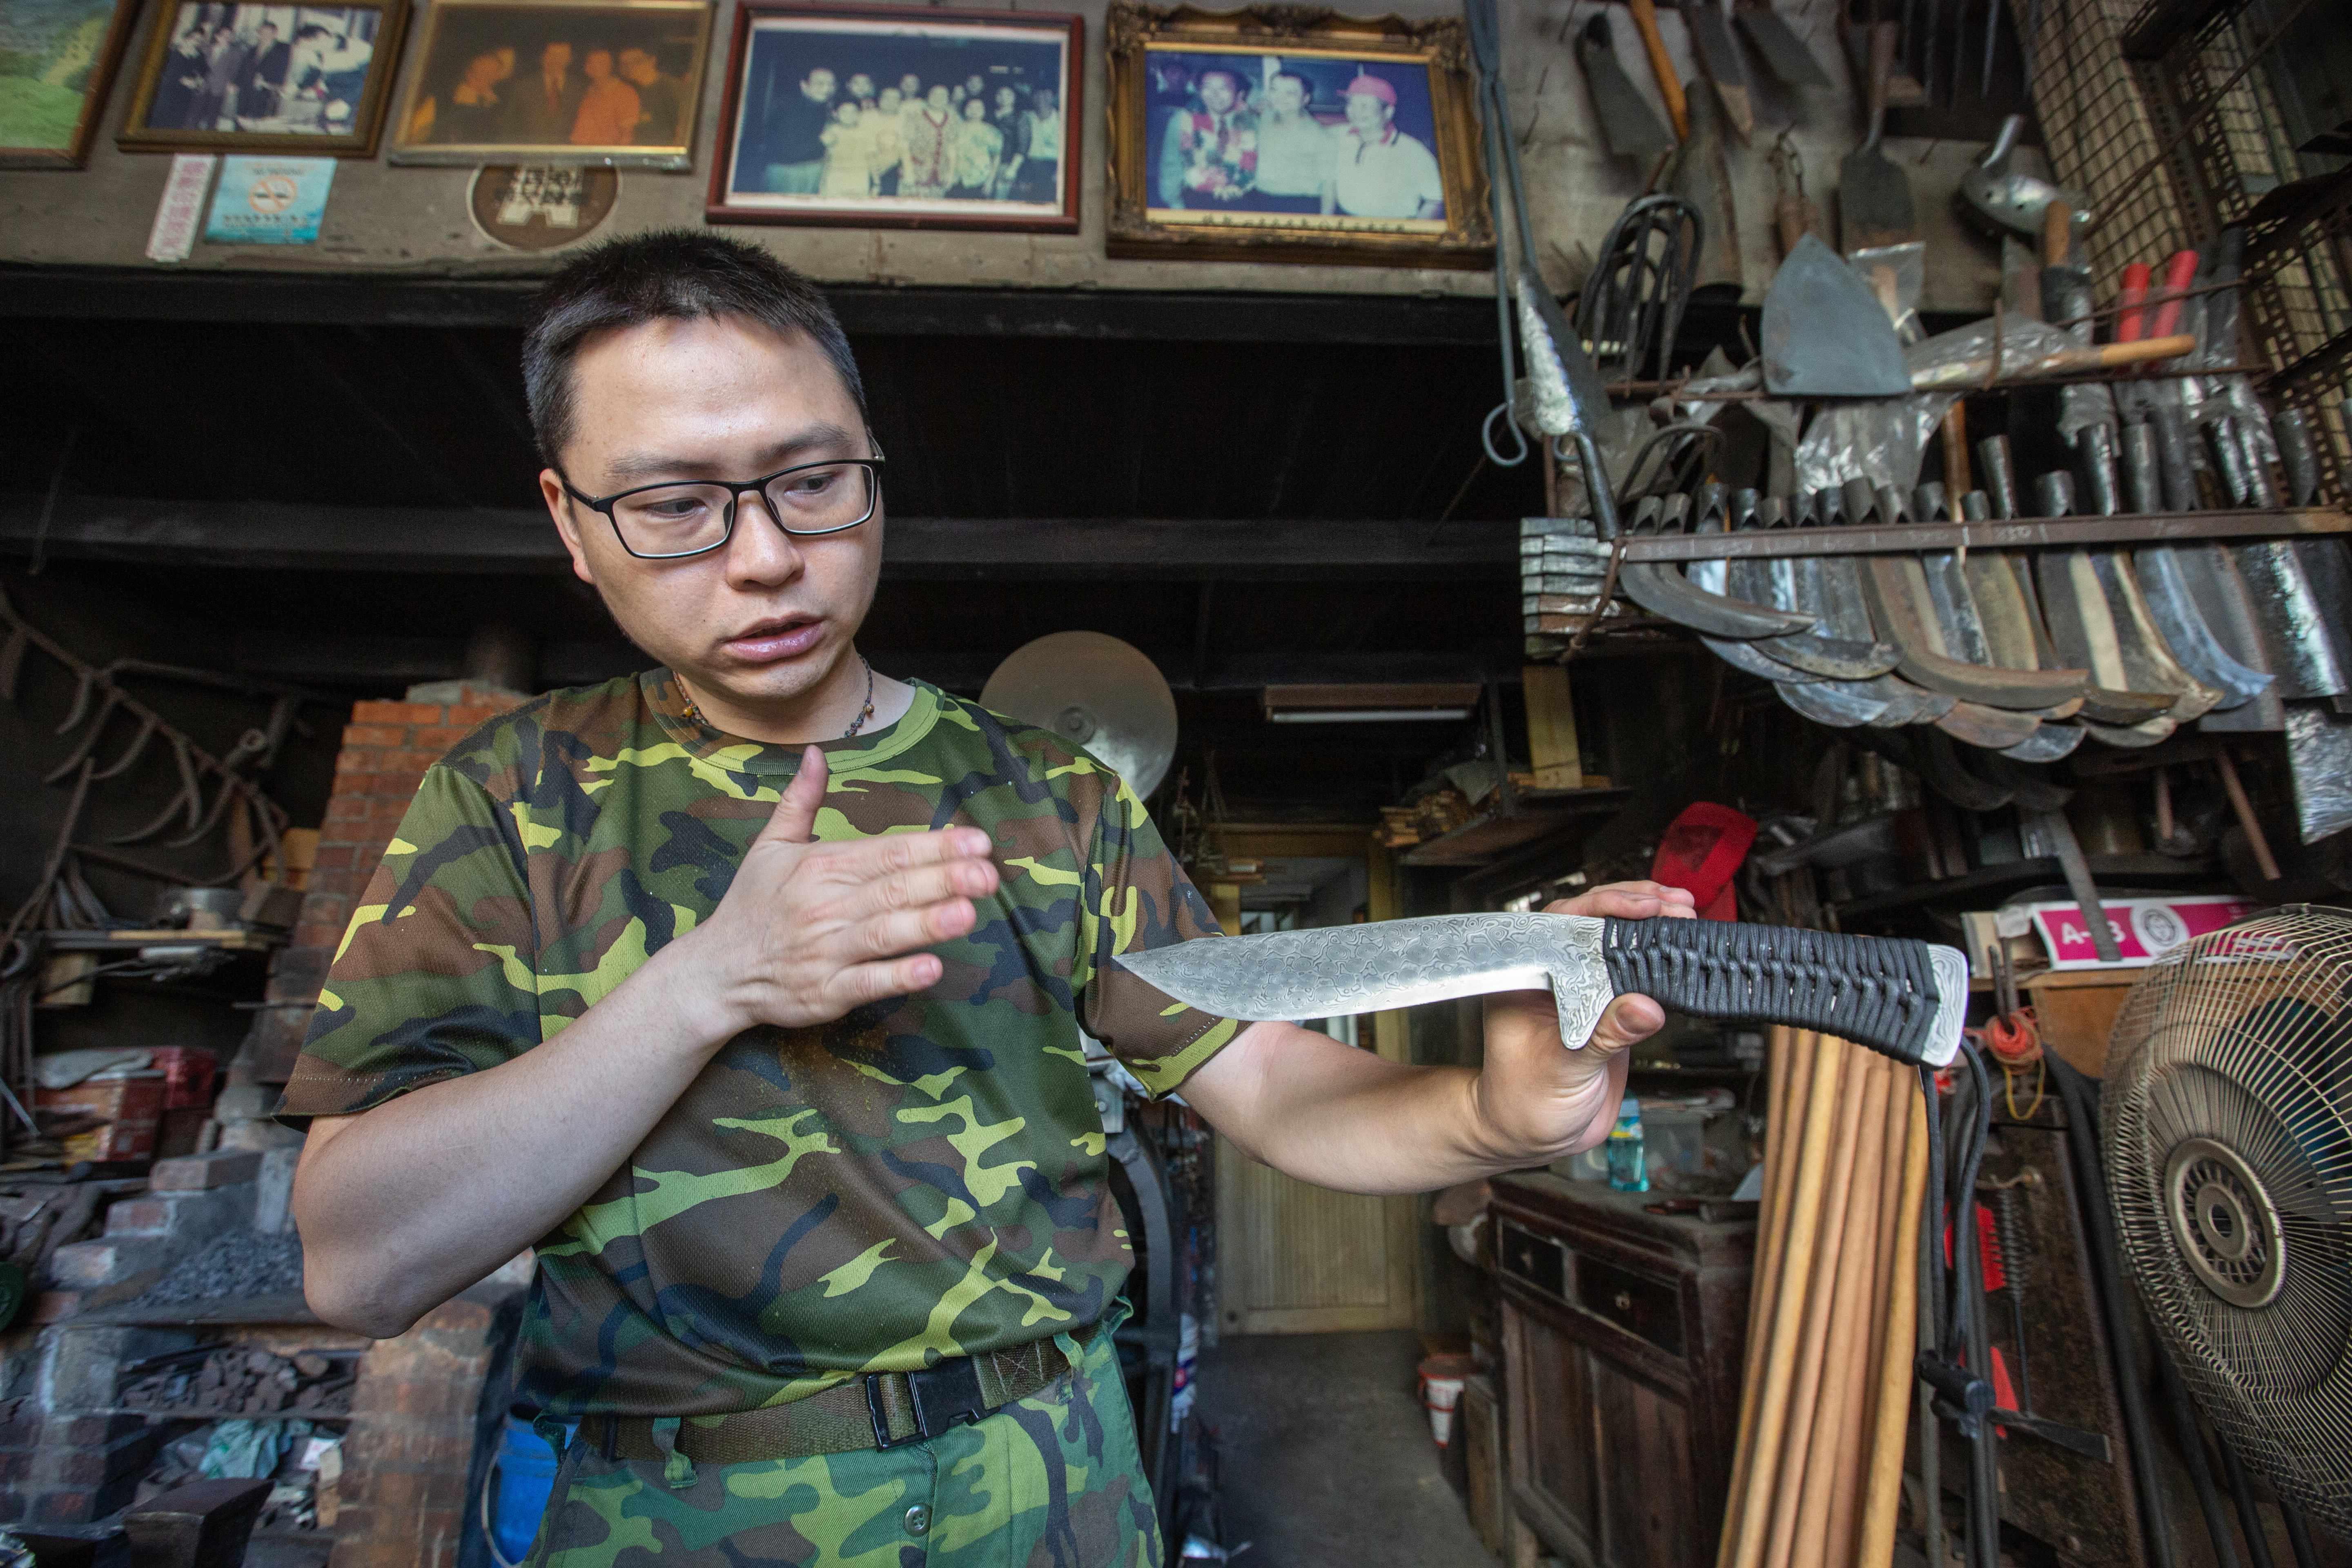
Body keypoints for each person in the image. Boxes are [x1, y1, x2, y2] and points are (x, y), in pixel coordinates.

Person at [284, 227, 1685, 1566]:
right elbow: (360, 1265)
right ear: (572, 524)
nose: (765, 554)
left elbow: (1257, 1077)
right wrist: (709, 984)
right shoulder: (511, 796)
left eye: (812, 480)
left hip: (1053, 1482)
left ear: (875, 473)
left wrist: (1493, 1119)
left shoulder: (1054, 795)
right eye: (672, 506)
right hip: (679, 1511)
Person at [1332, 72, 1443, 220]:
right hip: (1347, 223)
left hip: (1394, 229)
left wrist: (1414, 233)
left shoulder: (1412, 151)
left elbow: (1435, 198)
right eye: (1351, 104)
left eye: (1365, 106)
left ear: (1388, 112)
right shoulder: (1339, 136)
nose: (1356, 112)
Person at [1156, 67, 1254, 209]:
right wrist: (1173, 201)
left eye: (1223, 89)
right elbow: (1171, 164)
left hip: (1243, 202)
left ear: (1239, 94)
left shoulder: (1251, 122)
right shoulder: (1183, 120)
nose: (1215, 95)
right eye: (1208, 87)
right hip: (1194, 200)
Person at [1242, 68, 1335, 214]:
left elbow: (1329, 186)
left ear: (1306, 99)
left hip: (1299, 204)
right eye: (1274, 90)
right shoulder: (1267, 117)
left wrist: (1325, 226)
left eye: (1290, 93)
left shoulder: (1319, 136)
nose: (1280, 97)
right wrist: (1253, 110)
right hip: (1261, 197)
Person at [754, 63, 834, 194]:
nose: (827, 89)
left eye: (831, 84)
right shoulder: (790, 110)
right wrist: (822, 142)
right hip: (788, 174)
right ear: (804, 86)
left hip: (809, 171)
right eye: (820, 84)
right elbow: (784, 152)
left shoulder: (819, 107)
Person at [505, 40, 585, 144]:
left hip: (566, 156)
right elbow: (509, 128)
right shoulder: (523, 87)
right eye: (553, 55)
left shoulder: (580, 89)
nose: (557, 60)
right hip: (531, 155)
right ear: (544, 57)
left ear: (569, 59)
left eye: (562, 56)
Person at [431, 50, 508, 143]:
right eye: (485, 73)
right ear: (469, 74)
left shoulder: (499, 103)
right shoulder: (444, 103)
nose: (493, 78)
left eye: (494, 73)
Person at [895, 81, 955, 199]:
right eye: (935, 95)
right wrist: (908, 171)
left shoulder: (952, 120)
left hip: (939, 178)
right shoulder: (915, 116)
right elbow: (904, 145)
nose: (939, 99)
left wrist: (950, 174)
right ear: (928, 97)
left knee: (933, 215)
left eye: (943, 96)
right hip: (915, 175)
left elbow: (952, 150)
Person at [570, 46, 640, 145]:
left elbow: (627, 136)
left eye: (601, 64)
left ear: (610, 66)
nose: (596, 67)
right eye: (592, 63)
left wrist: (617, 159)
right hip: (580, 155)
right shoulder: (586, 93)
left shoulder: (625, 94)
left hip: (605, 157)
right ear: (587, 68)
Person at [618, 46, 684, 145]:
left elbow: (682, 128)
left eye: (636, 61)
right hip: (637, 152)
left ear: (652, 60)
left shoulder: (670, 87)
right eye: (625, 64)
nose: (630, 67)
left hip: (663, 152)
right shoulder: (628, 91)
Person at [150, 23, 210, 130]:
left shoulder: (198, 55)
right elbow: (170, 73)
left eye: (199, 41)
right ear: (188, 38)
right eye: (194, 39)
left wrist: (198, 81)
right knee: (161, 123)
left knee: (177, 124)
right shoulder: (175, 52)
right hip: (169, 94)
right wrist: (184, 81)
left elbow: (206, 70)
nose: (196, 43)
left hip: (185, 96)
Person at [948, 94, 1002, 198]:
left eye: (978, 108)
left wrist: (990, 182)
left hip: (980, 181)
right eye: (970, 108)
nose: (974, 111)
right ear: (965, 110)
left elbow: (996, 158)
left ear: (984, 111)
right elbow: (951, 153)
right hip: (957, 180)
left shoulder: (992, 132)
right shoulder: (955, 129)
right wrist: (950, 177)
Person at [817, 99, 873, 196]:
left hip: (859, 180)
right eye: (844, 112)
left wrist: (876, 184)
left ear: (860, 114)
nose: (849, 116)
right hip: (835, 180)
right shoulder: (831, 132)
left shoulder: (866, 133)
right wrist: (822, 185)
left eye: (853, 112)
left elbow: (872, 158)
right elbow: (826, 160)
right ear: (836, 114)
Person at [1013, 85, 1059, 203]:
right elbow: (1022, 147)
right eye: (1038, 95)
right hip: (1031, 165)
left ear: (1053, 97)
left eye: (1046, 95)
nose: (1041, 99)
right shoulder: (1028, 118)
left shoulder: (1061, 119)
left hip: (1054, 166)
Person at [238, 20, 290, 121]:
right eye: (262, 33)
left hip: (266, 95)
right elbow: (243, 69)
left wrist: (267, 83)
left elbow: (283, 71)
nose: (265, 36)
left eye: (268, 33)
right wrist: (236, 83)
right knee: (241, 121)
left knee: (259, 123)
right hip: (246, 92)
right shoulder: (252, 50)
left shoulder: (283, 50)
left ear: (275, 34)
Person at [988, 83, 1025, 199]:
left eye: (1009, 95)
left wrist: (1013, 168)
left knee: (999, 201)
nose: (1004, 98)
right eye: (1001, 94)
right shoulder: (989, 115)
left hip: (1006, 165)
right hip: (986, 165)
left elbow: (1023, 146)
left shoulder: (1020, 118)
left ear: (1014, 98)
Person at [869, 85, 905, 194]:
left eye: (895, 99)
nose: (891, 102)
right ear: (880, 100)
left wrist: (891, 162)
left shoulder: (905, 120)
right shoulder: (866, 117)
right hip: (866, 168)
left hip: (893, 170)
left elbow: (907, 148)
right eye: (887, 98)